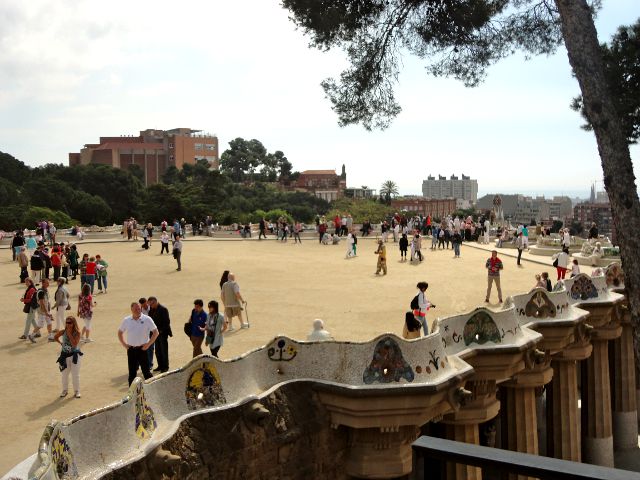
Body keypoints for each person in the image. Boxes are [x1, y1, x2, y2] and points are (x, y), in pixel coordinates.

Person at [118, 302, 159, 386]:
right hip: (131, 350)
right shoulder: (127, 320)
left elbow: (156, 332)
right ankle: (131, 395)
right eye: (135, 309)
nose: (138, 310)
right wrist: (125, 345)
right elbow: (120, 332)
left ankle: (152, 390)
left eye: (139, 309)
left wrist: (148, 345)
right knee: (132, 373)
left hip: (143, 349)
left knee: (146, 373)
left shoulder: (147, 319)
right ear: (131, 310)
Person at [55, 316, 83, 398]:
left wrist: (69, 334)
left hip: (74, 355)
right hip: (64, 356)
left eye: (69, 323)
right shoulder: (63, 332)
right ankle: (65, 390)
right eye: (66, 322)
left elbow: (74, 344)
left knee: (75, 375)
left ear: (73, 323)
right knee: (64, 375)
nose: (67, 324)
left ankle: (77, 391)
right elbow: (55, 337)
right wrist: (61, 343)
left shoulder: (77, 332)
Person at [148, 296, 172, 372]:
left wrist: (160, 331)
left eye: (151, 304)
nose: (150, 306)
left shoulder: (163, 309)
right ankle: (160, 366)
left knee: (164, 350)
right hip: (155, 334)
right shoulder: (151, 310)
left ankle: (165, 367)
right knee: (157, 351)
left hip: (162, 333)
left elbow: (167, 322)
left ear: (155, 302)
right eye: (149, 304)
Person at [28, 278, 54, 342]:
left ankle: (51, 336)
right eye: (47, 283)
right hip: (42, 311)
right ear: (43, 283)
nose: (48, 284)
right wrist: (46, 312)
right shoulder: (41, 292)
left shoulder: (45, 290)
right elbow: (42, 303)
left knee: (49, 322)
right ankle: (31, 335)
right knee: (40, 325)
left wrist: (48, 311)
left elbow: (46, 302)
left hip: (46, 310)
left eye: (48, 283)